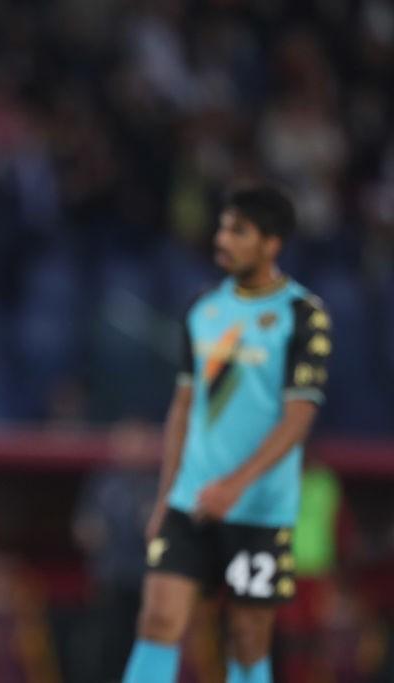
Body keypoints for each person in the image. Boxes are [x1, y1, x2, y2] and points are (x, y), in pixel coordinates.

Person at [121, 186, 332, 683]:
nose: (222, 239)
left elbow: (299, 417)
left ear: (271, 243)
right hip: (190, 503)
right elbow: (184, 406)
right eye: (222, 227)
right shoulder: (203, 309)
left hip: (257, 510)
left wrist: (234, 488)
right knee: (157, 620)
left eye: (238, 231)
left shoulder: (304, 316)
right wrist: (166, 495)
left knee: (246, 636)